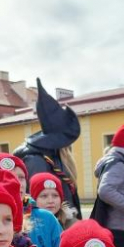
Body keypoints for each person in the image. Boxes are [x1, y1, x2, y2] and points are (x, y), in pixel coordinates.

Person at [14, 78, 83, 217]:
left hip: (61, 219)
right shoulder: (36, 160)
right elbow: (29, 198)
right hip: (48, 224)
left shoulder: (53, 156)